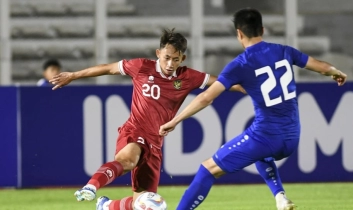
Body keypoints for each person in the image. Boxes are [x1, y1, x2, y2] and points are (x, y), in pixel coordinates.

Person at [159, 8, 347, 210]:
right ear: (263, 30)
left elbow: (206, 97)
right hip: (292, 138)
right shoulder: (284, 51)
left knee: (207, 169)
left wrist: (175, 120)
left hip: (265, 136)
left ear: (239, 33)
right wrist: (336, 72)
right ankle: (280, 197)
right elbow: (322, 66)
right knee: (261, 155)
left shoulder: (241, 64)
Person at [49, 29, 245, 210]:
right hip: (134, 131)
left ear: (182, 58)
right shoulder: (141, 66)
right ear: (158, 53)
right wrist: (73, 75)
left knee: (142, 204)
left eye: (175, 60)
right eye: (167, 58)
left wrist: (252, 88)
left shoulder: (187, 77)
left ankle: (107, 206)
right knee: (127, 160)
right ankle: (91, 187)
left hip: (155, 144)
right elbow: (108, 69)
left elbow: (223, 83)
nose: (170, 64)